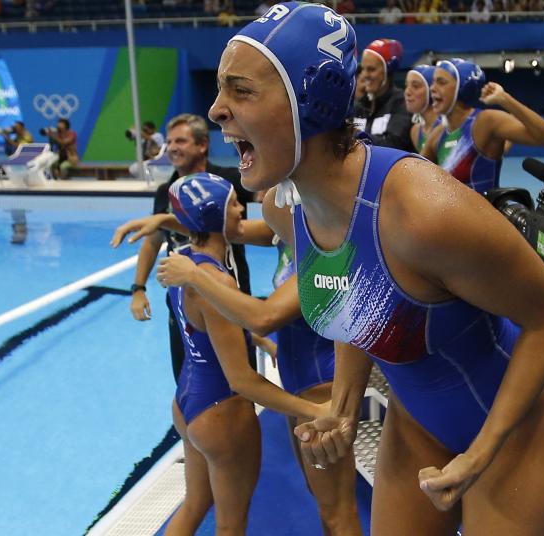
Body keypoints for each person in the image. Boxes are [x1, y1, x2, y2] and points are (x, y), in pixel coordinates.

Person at [212, 4, 544, 534]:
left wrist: (481, 453)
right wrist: (342, 404)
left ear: (309, 101)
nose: (217, 110)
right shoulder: (285, 210)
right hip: (417, 423)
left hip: (515, 431)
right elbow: (358, 302)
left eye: (240, 91)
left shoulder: (423, 214)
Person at [157, 218, 362, 535]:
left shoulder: (322, 250)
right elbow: (226, 228)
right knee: (325, 503)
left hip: (319, 388)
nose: (252, 203)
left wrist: (194, 275)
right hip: (299, 384)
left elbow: (263, 317)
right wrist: (167, 219)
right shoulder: (285, 230)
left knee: (337, 510)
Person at [158, 173, 304, 536]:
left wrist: (258, 341)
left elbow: (204, 332)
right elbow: (242, 379)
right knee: (231, 525)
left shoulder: (184, 264)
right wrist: (313, 410)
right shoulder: (215, 282)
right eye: (233, 203)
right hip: (222, 409)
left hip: (187, 400)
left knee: (194, 505)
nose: (242, 207)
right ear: (212, 216)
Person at [111, 113, 254, 383]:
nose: (172, 147)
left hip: (229, 300)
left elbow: (268, 198)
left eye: (181, 141)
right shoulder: (166, 192)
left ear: (202, 145)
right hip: (183, 307)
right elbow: (153, 240)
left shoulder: (227, 181)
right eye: (169, 141)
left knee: (240, 383)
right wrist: (138, 288)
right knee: (189, 380)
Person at [423, 58, 544, 192]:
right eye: (433, 82)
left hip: (483, 213)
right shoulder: (438, 134)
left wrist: (505, 99)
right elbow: (416, 177)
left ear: (462, 88)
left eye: (441, 82)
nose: (432, 88)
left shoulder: (486, 121)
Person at [353, 39, 415, 152]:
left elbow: (394, 145)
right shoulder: (359, 106)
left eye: (371, 69)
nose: (365, 75)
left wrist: (356, 134)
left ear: (388, 71)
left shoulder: (402, 103)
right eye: (363, 69)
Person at [402, 64, 440, 152]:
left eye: (415, 86)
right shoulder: (416, 131)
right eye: (406, 86)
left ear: (432, 90)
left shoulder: (447, 128)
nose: (407, 92)